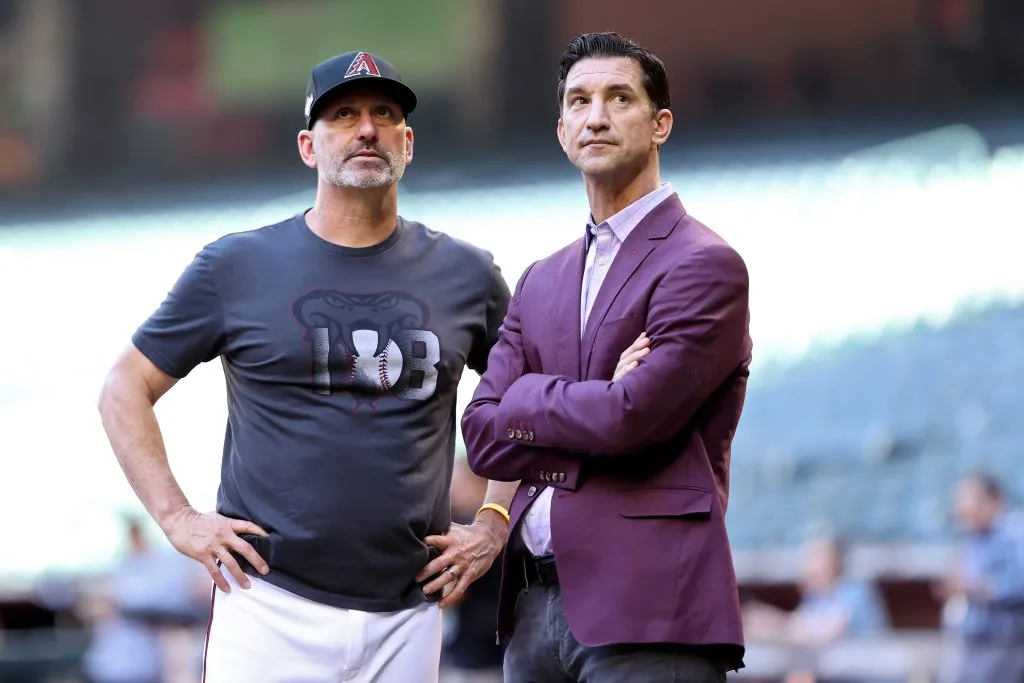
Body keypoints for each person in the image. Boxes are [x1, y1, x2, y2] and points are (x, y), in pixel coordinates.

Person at [97, 50, 519, 683]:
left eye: (384, 114)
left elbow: (526, 397)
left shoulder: (467, 273)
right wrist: (178, 519)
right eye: (344, 115)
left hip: (410, 609)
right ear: (307, 146)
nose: (367, 129)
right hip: (269, 602)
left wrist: (493, 521)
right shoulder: (235, 266)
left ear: (408, 142)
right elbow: (124, 387)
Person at [461, 32, 752, 682]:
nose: (597, 116)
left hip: (647, 600)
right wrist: (591, 397)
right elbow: (481, 433)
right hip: (533, 608)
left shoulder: (703, 264)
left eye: (619, 98)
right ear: (562, 129)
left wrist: (533, 395)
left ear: (660, 123)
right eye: (580, 101)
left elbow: (634, 416)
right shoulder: (541, 278)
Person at [940, 472, 1024, 683]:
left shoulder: (1014, 532)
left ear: (990, 501)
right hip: (974, 645)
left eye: (966, 499)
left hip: (1006, 645)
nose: (960, 508)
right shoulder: (976, 538)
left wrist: (977, 588)